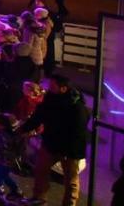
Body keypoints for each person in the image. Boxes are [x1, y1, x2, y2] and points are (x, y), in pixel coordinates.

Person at [17, 74, 89, 206]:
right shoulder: (50, 99)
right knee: (41, 170)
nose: (49, 87)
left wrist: (71, 150)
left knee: (71, 180)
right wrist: (23, 129)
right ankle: (38, 198)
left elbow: (78, 131)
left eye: (53, 85)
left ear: (63, 88)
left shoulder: (77, 107)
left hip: (69, 149)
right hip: (51, 143)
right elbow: (38, 116)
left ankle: (69, 203)